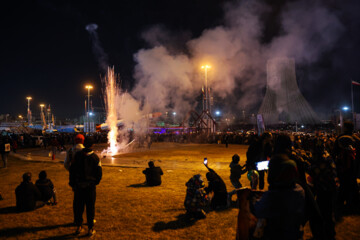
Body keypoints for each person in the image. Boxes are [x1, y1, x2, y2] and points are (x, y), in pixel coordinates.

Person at [253, 155, 305, 239]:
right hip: (295, 234)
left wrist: (254, 187)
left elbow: (258, 210)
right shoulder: (299, 190)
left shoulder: (273, 196)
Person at [69, 136, 102, 236]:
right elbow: (99, 174)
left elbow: (72, 171)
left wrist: (72, 184)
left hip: (79, 186)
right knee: (90, 207)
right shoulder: (95, 158)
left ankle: (79, 226)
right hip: (90, 187)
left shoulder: (77, 155)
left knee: (78, 207)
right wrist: (95, 182)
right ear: (93, 145)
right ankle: (90, 228)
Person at [333, 121, 360, 216]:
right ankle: (353, 202)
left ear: (345, 128)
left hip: (342, 166)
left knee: (343, 183)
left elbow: (334, 153)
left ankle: (341, 202)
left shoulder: (339, 138)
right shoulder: (357, 139)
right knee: (353, 183)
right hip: (354, 166)